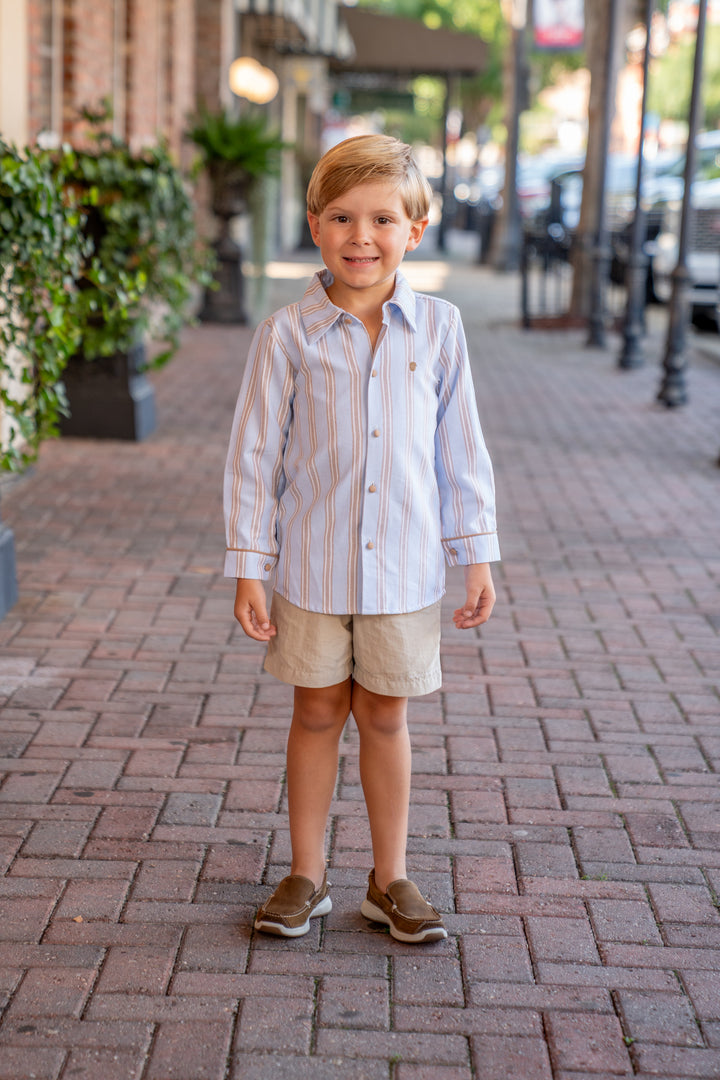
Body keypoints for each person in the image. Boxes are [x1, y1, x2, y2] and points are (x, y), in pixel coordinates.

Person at [224, 134, 500, 944]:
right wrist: (249, 566)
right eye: (342, 217)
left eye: (383, 218)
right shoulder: (288, 334)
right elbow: (252, 458)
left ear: (415, 229)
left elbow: (461, 450)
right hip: (311, 570)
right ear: (315, 224)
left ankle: (390, 878)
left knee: (384, 715)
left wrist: (475, 553)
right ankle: (305, 875)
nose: (361, 236)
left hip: (407, 573)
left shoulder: (441, 330)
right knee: (315, 712)